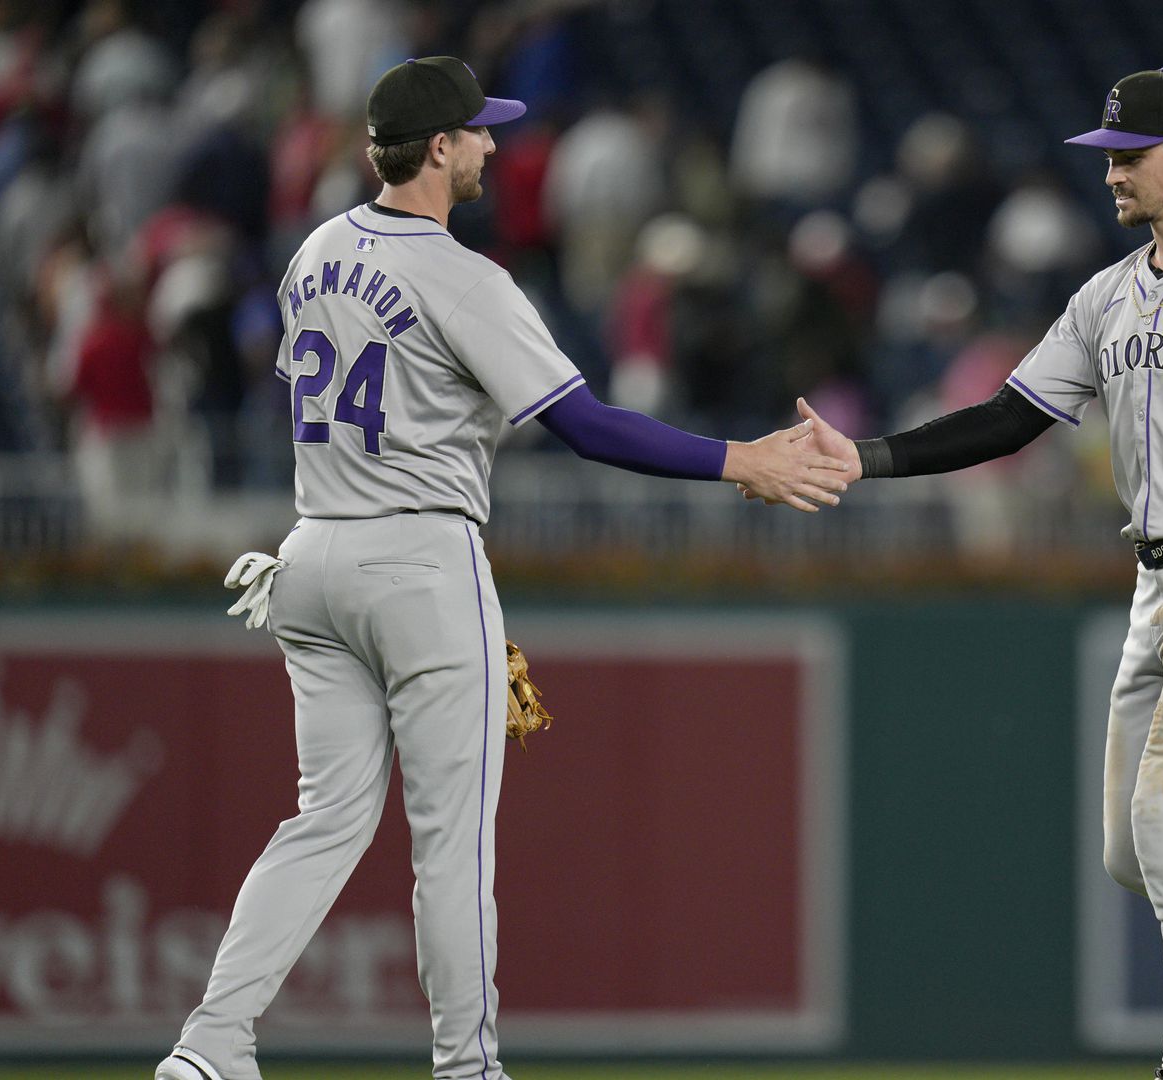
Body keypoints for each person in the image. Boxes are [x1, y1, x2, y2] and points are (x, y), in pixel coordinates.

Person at [154, 57, 846, 1080]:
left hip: (309, 554)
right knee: (452, 839)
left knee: (324, 820)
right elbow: (586, 424)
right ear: (437, 147)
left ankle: (209, 1044)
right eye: (477, 133)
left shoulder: (311, 251)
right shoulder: (463, 277)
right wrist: (739, 460)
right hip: (419, 554)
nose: (491, 146)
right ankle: (466, 1066)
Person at [757, 67, 1163, 1080]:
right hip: (1156, 576)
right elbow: (1011, 418)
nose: (1111, 172)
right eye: (1108, 156)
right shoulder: (1107, 293)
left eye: (1130, 155)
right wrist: (870, 457)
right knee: (1134, 851)